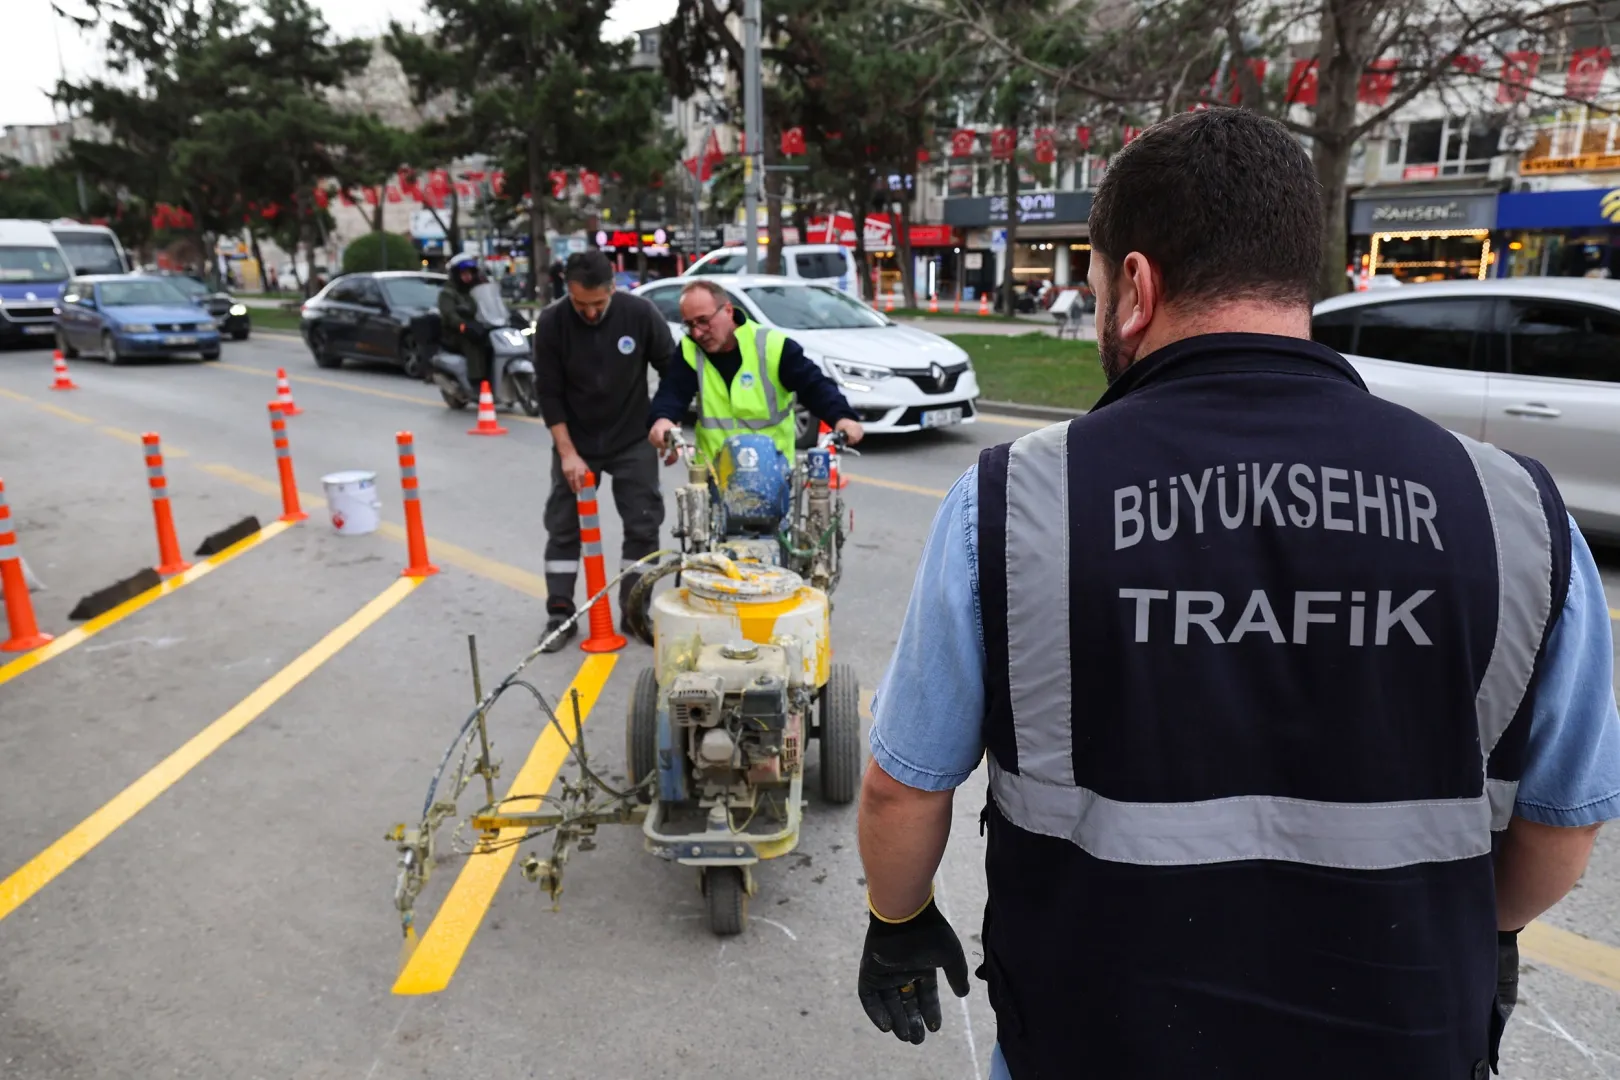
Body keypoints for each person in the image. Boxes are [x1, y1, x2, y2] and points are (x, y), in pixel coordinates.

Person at [855, 107, 1620, 1078]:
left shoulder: (1018, 503)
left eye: (1097, 284)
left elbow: (901, 788)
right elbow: (1566, 822)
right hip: (1404, 1044)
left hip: (1093, 1045)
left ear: (1136, 287)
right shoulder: (1515, 511)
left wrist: (898, 920)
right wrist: (1485, 929)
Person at [533, 250, 676, 650]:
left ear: (613, 288)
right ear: (569, 291)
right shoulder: (552, 322)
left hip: (632, 437)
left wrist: (666, 421)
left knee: (643, 525)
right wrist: (567, 453)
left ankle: (634, 612)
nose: (592, 312)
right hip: (576, 440)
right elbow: (548, 393)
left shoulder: (640, 314)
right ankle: (560, 614)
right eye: (582, 305)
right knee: (563, 527)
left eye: (599, 303)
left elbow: (672, 369)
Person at [646, 280, 863, 467]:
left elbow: (814, 385)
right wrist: (663, 419)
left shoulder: (771, 346)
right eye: (689, 325)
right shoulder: (690, 350)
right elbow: (672, 391)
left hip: (772, 471)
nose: (697, 333)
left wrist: (842, 417)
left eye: (704, 321)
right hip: (716, 472)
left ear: (728, 311)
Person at [438, 253, 493, 390]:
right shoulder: (448, 292)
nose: (467, 276)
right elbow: (449, 314)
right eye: (463, 273)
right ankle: (476, 381)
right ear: (456, 274)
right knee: (473, 343)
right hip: (455, 333)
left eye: (470, 273)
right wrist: (463, 326)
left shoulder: (475, 290)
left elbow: (489, 304)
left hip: (477, 327)